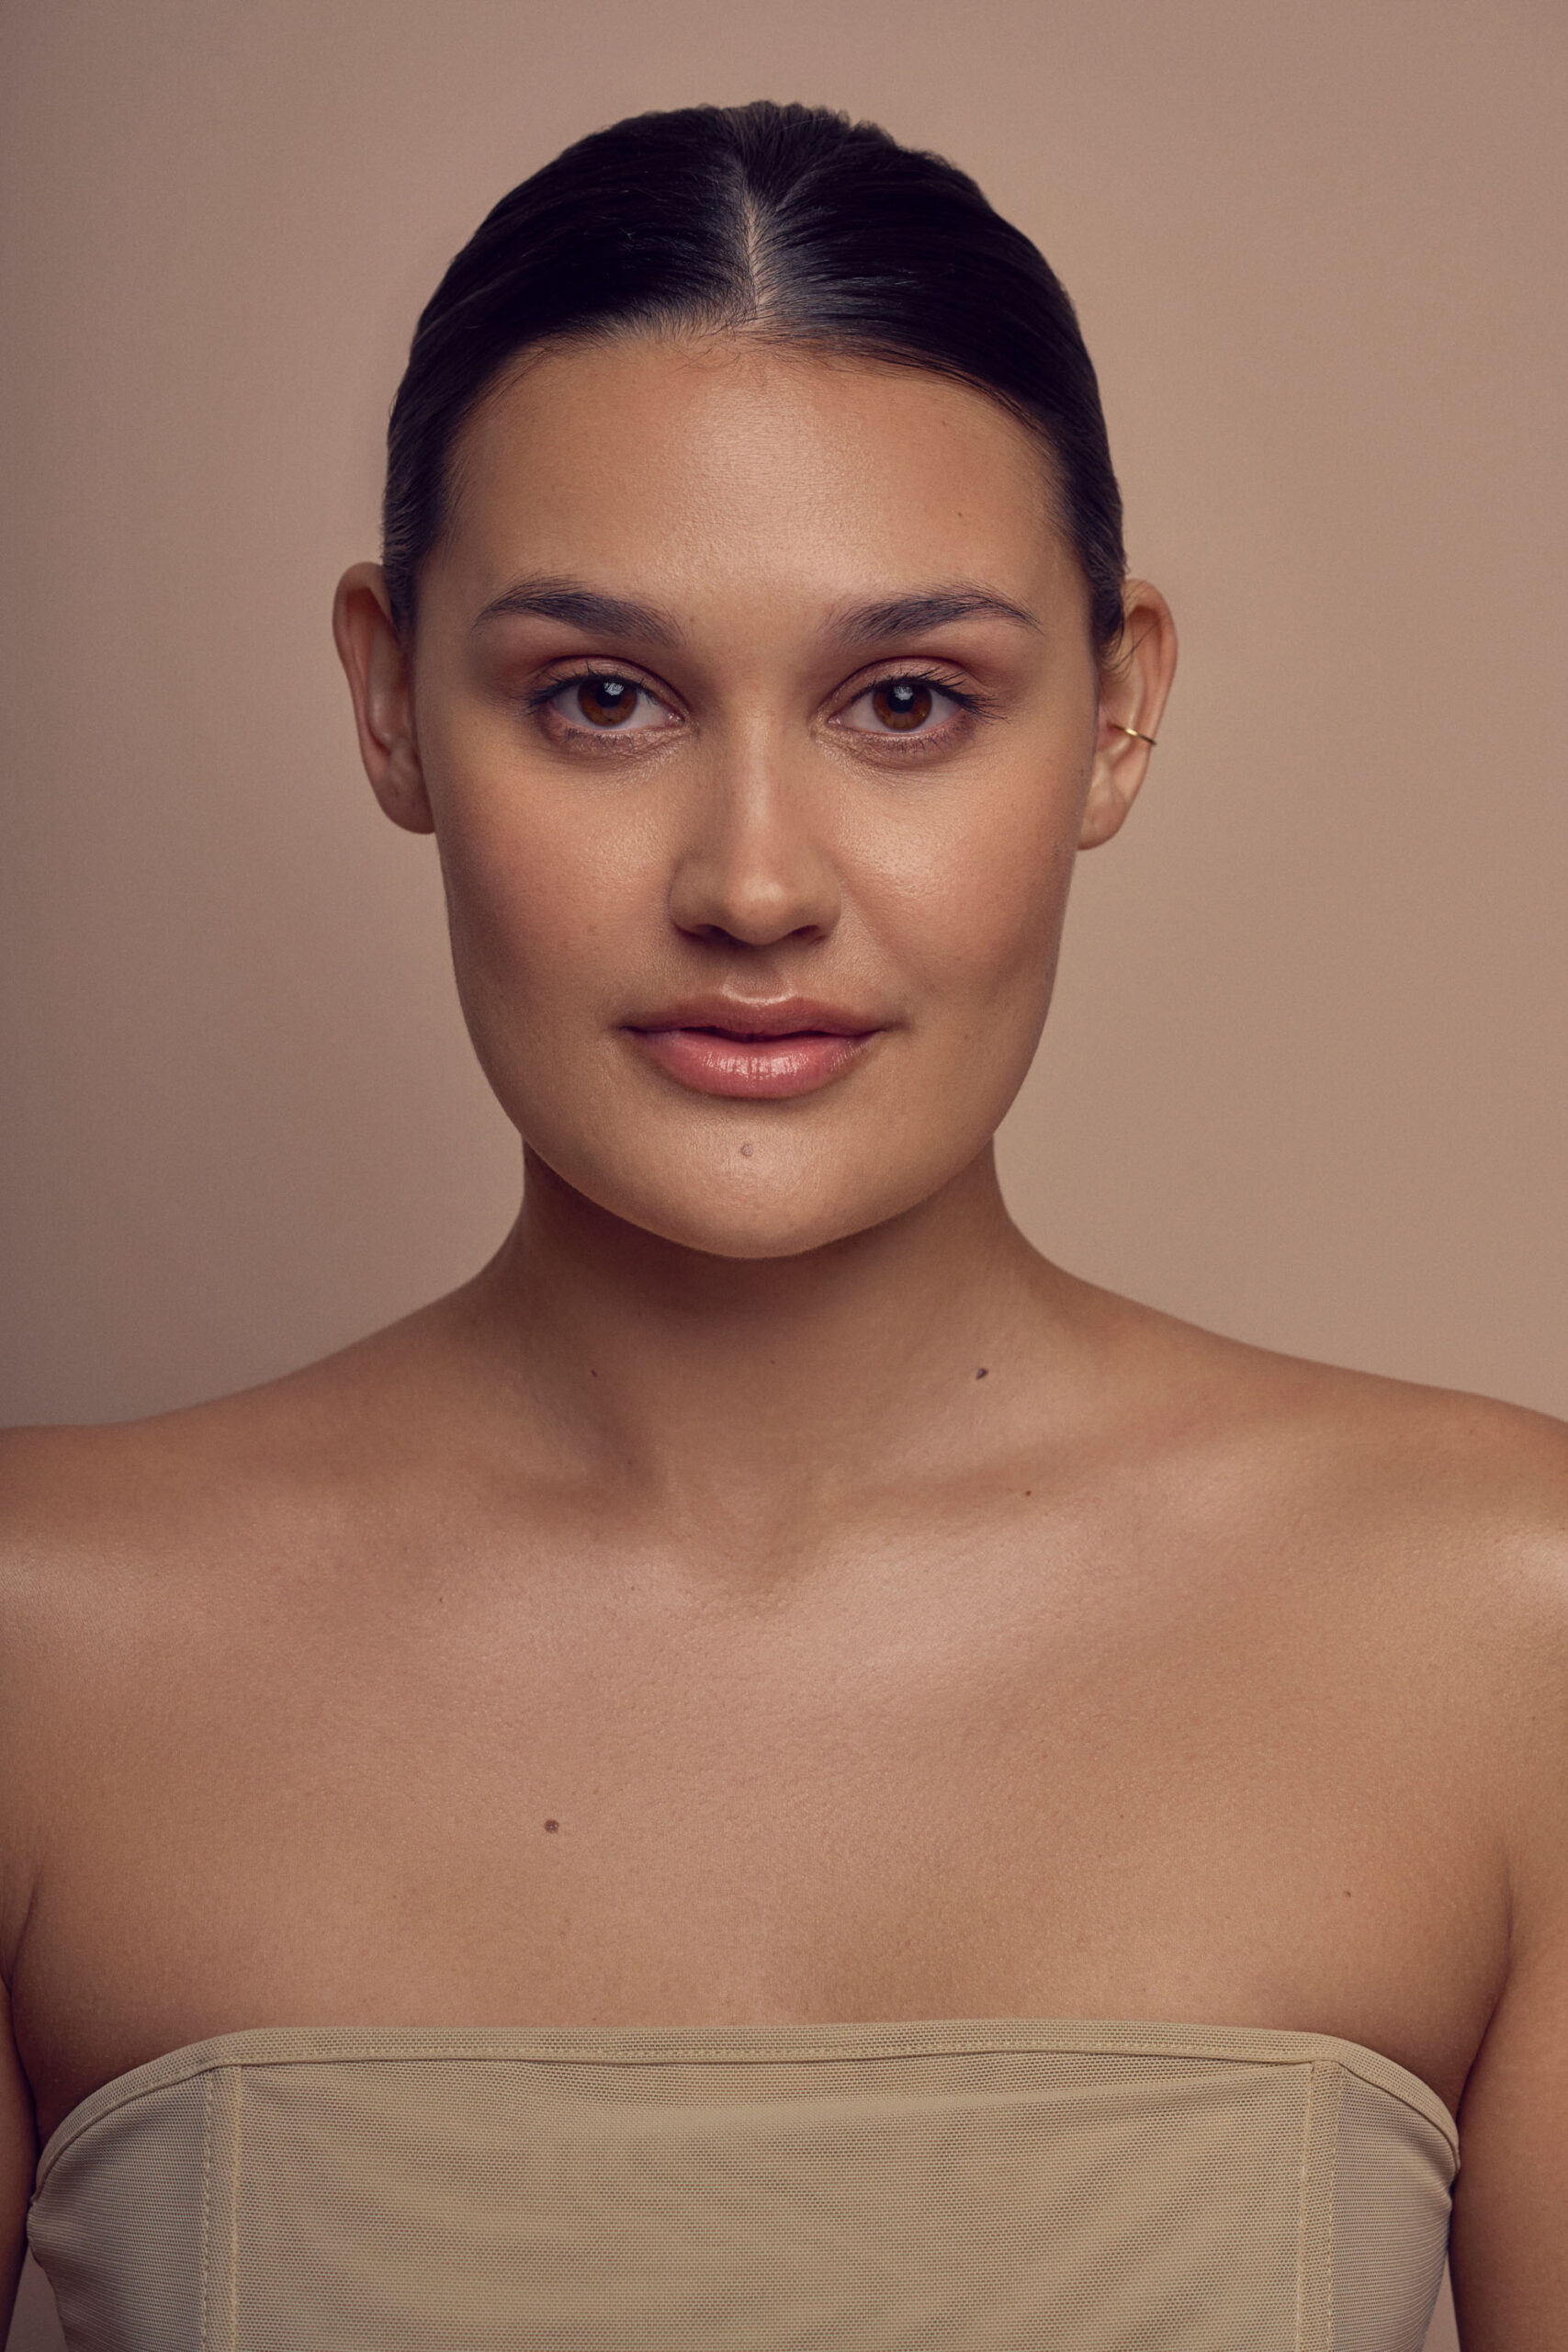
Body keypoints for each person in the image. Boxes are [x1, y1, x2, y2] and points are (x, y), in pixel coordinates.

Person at [0, 97, 1562, 2351]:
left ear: (1113, 713)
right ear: (385, 696)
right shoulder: (47, 1658)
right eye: (601, 696)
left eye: (905, 701)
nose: (752, 881)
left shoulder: (1507, 1640)